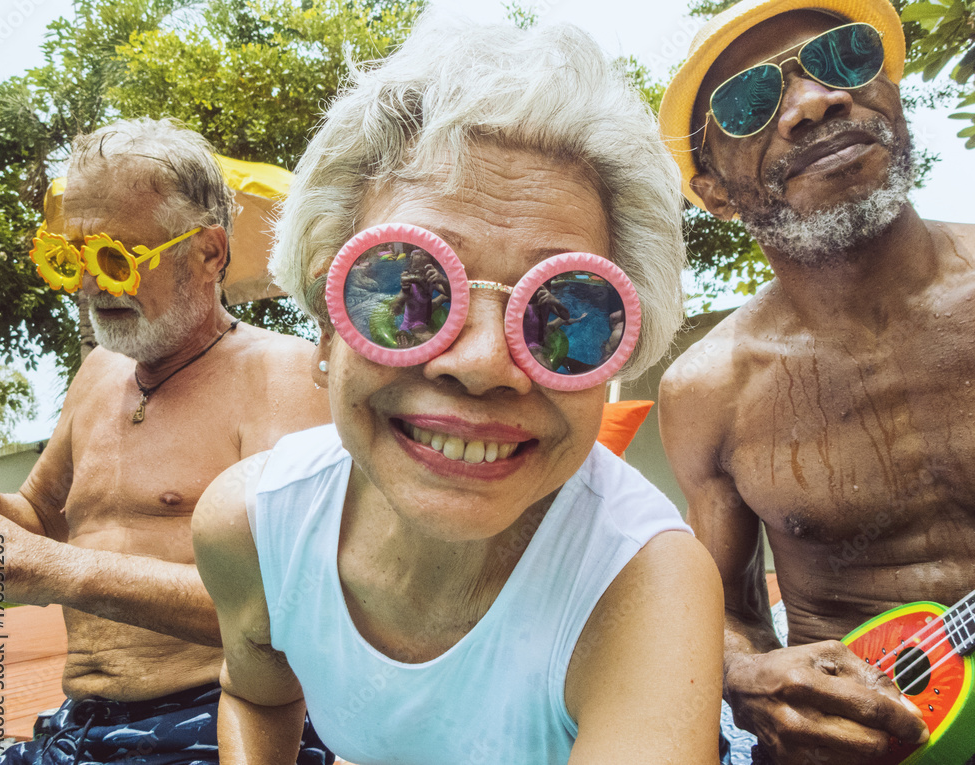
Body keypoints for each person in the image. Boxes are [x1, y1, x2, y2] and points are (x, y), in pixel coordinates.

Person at [192, 15, 725, 765]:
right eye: (405, 291)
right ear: (324, 332)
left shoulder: (641, 585)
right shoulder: (254, 524)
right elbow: (254, 693)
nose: (481, 363)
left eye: (565, 313)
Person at [656, 0, 975, 762]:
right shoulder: (710, 389)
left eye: (845, 58)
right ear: (716, 196)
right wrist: (745, 670)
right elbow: (726, 611)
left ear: (891, 95)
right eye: (749, 103)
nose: (815, 102)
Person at [0, 118, 333, 764]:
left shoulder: (281, 375)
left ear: (210, 253)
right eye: (72, 259)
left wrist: (54, 570)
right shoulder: (98, 374)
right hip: (76, 724)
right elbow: (35, 523)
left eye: (116, 258)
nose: (92, 285)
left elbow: (292, 606)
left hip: (213, 719)